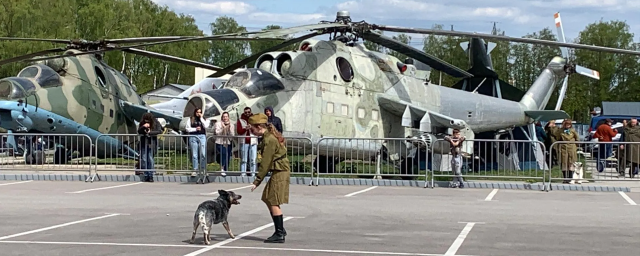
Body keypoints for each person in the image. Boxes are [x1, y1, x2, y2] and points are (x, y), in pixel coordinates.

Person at [248, 113, 290, 243]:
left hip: (280, 171)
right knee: (267, 197)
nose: (251, 131)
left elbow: (266, 162)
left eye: (252, 128)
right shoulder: (267, 138)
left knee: (273, 200)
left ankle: (279, 233)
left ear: (259, 126)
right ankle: (280, 229)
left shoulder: (269, 140)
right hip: (278, 170)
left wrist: (257, 181)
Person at [549, 119, 579, 183]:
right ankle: (565, 178)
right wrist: (552, 127)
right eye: (566, 124)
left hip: (571, 148)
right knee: (564, 163)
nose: (567, 126)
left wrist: (577, 145)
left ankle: (570, 178)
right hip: (563, 148)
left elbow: (577, 138)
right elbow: (556, 136)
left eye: (569, 124)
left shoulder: (573, 131)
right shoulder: (560, 131)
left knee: (571, 162)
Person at [138, 112, 162, 182]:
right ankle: (146, 175)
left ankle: (150, 175)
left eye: (147, 120)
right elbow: (139, 131)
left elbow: (159, 131)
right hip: (143, 143)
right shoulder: (142, 123)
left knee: (150, 159)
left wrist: (150, 132)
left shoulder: (155, 122)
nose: (146, 121)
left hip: (151, 143)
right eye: (145, 120)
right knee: (144, 159)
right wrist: (143, 127)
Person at [185, 108, 209, 173]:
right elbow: (187, 129)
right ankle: (195, 169)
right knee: (194, 154)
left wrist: (201, 118)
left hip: (202, 136)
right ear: (195, 112)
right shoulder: (191, 119)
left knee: (203, 154)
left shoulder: (205, 119)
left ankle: (202, 168)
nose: (198, 113)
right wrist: (195, 129)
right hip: (193, 136)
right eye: (197, 112)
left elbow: (206, 126)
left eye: (200, 112)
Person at [236, 107, 258, 177]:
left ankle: (253, 174)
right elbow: (239, 131)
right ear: (244, 112)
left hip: (253, 141)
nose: (247, 114)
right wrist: (245, 129)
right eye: (246, 112)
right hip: (244, 141)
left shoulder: (254, 120)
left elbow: (257, 130)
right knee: (244, 159)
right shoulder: (240, 120)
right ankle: (243, 174)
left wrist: (251, 128)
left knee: (253, 159)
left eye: (249, 112)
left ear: (251, 112)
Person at [214, 112, 235, 176]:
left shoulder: (231, 125)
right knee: (223, 154)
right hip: (220, 141)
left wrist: (229, 129)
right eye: (224, 116)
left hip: (228, 142)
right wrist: (223, 128)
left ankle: (225, 170)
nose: (225, 118)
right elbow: (217, 133)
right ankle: (222, 168)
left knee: (227, 156)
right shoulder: (218, 124)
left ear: (228, 117)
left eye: (226, 116)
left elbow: (232, 135)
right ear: (222, 117)